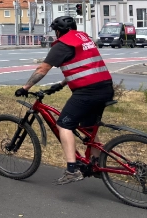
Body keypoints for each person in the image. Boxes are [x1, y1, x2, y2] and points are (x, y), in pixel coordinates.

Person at [15, 15, 114, 185]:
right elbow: (84, 66)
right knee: (89, 129)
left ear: (59, 31)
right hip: (105, 87)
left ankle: (71, 169)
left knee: (64, 125)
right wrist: (60, 85)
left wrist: (25, 87)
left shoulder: (62, 45)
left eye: (55, 31)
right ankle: (95, 165)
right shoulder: (84, 39)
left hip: (87, 92)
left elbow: (42, 69)